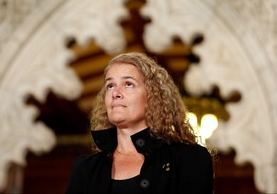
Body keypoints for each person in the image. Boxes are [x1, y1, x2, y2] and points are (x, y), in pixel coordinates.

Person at [66, 52, 213, 194]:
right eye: (110, 85)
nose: (115, 93)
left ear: (152, 96)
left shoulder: (190, 159)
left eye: (128, 84)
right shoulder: (86, 168)